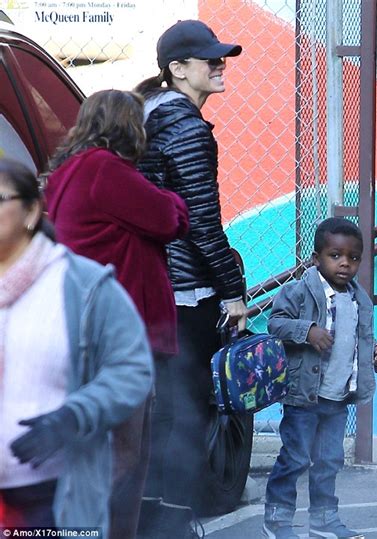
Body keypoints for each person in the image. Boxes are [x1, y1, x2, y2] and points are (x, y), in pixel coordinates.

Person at [44, 89, 189, 539]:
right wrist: (173, 197)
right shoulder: (106, 170)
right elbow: (170, 217)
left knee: (106, 450)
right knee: (122, 455)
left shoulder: (69, 171)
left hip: (87, 330)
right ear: (128, 126)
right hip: (120, 335)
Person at [134, 19, 247, 538]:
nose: (219, 65)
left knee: (157, 412)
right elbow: (202, 222)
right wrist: (232, 290)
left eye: (220, 57)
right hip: (186, 293)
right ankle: (174, 522)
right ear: (178, 70)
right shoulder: (186, 128)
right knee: (187, 412)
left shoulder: (150, 116)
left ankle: (150, 515)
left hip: (151, 289)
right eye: (209, 59)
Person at [0, 158, 153, 538]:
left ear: (32, 210)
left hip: (52, 499)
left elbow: (132, 369)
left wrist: (74, 416)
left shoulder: (83, 287)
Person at [263, 217, 377, 539]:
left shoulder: (358, 298)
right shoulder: (300, 292)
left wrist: (376, 350)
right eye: (335, 256)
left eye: (354, 257)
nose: (345, 264)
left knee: (329, 460)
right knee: (295, 458)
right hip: (303, 397)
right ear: (316, 258)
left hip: (336, 398)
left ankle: (323, 521)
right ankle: (276, 520)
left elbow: (357, 338)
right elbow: (275, 323)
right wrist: (307, 331)